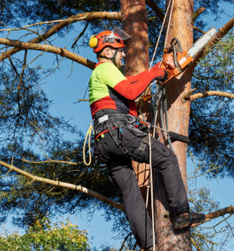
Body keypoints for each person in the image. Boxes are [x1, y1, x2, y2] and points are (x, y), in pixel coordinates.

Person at [88, 27, 205, 250]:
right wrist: (154, 72)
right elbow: (131, 92)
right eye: (120, 51)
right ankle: (181, 214)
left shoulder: (100, 77)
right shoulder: (105, 69)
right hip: (118, 134)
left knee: (130, 192)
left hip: (105, 142)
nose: (123, 55)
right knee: (166, 158)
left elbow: (126, 97)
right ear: (109, 50)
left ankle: (149, 245)